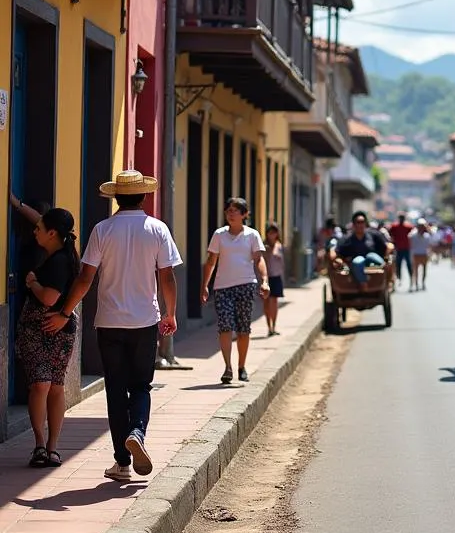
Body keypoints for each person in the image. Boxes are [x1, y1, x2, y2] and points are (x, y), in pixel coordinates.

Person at [42, 169, 180, 484]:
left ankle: (122, 461)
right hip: (145, 321)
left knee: (116, 389)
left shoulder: (103, 229)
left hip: (109, 323)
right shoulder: (157, 229)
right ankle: (137, 432)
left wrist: (65, 311)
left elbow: (85, 278)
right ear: (144, 196)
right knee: (141, 386)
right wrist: (170, 314)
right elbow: (167, 276)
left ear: (116, 196)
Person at [10, 198, 79, 469]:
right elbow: (40, 218)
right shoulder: (60, 248)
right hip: (54, 330)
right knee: (47, 386)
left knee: (47, 386)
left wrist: (32, 282)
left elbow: (49, 298)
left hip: (46, 328)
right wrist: (16, 203)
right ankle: (43, 446)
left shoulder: (59, 262)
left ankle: (49, 447)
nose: (34, 230)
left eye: (40, 228)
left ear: (52, 233)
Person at [201, 198, 269, 385]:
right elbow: (211, 261)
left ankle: (242, 366)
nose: (231, 214)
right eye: (228, 211)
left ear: (244, 214)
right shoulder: (219, 235)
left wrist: (265, 280)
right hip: (222, 287)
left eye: (235, 211)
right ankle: (228, 368)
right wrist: (205, 285)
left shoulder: (252, 235)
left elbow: (259, 259)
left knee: (243, 328)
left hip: (246, 285)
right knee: (225, 326)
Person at [333, 211, 389, 283]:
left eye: (362, 222)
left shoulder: (374, 235)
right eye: (358, 222)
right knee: (359, 260)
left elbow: (386, 247)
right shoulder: (346, 239)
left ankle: (385, 278)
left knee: (371, 255)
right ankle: (363, 284)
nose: (360, 225)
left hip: (372, 264)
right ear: (354, 224)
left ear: (365, 223)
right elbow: (337, 252)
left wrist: (387, 255)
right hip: (356, 265)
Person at [263, 222, 286, 337]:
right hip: (266, 278)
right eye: (270, 232)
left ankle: (274, 326)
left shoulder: (279, 246)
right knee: (266, 304)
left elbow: (282, 263)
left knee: (274, 302)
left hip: (276, 277)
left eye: (274, 232)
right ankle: (269, 327)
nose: (272, 235)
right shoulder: (263, 246)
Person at [389, 213, 414, 286]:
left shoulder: (408, 226)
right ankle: (399, 278)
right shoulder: (394, 226)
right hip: (398, 249)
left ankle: (411, 278)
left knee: (409, 264)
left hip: (406, 248)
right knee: (398, 264)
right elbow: (390, 234)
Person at [409, 219, 432, 290]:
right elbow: (411, 245)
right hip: (416, 254)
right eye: (420, 226)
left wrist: (429, 254)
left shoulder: (427, 236)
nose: (421, 228)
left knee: (424, 270)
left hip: (424, 254)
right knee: (415, 270)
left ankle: (423, 283)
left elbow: (429, 246)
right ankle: (416, 284)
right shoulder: (413, 235)